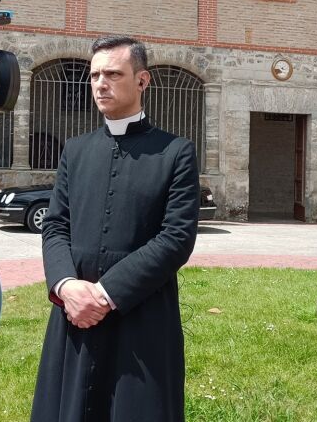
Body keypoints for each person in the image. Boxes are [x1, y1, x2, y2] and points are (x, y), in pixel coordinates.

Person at [31, 36, 200, 422]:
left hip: (141, 315)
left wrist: (105, 295)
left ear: (143, 82)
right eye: (94, 75)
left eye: (112, 74)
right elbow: (55, 225)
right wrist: (66, 286)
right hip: (74, 312)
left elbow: (176, 238)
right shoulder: (75, 150)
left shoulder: (176, 153)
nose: (100, 84)